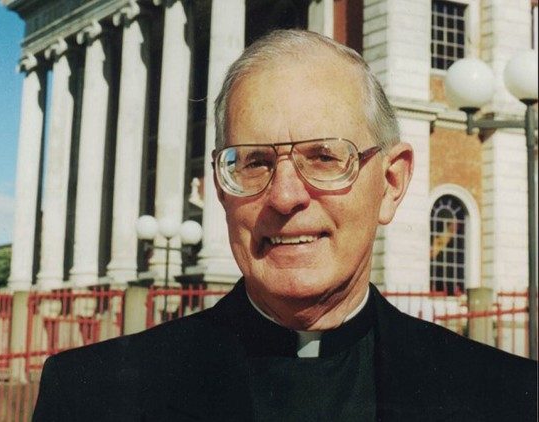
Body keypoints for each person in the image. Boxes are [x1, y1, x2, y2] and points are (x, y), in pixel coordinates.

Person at [33, 29, 537, 421]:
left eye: (324, 156)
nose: (286, 195)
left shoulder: (509, 398)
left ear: (390, 183)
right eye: (253, 162)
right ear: (218, 187)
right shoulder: (90, 396)